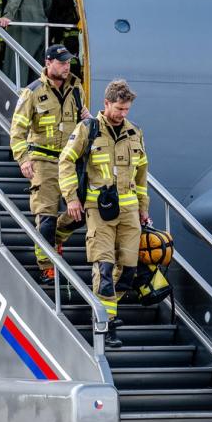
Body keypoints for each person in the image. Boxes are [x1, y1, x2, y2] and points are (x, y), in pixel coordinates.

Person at [57, 80, 150, 348]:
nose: (123, 113)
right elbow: (66, 161)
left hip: (130, 212)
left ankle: (105, 309)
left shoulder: (135, 133)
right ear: (106, 104)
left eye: (127, 109)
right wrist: (72, 198)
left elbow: (142, 174)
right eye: (119, 108)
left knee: (129, 271)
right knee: (105, 267)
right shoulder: (88, 129)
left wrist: (144, 208)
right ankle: (106, 325)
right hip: (100, 211)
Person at [9, 44, 90, 283]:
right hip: (42, 161)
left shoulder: (76, 89)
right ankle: (47, 266)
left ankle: (55, 240)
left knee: (82, 211)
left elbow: (82, 125)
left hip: (71, 161)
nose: (66, 67)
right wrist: (23, 159)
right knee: (46, 216)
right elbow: (17, 130)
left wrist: (87, 119)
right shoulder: (32, 92)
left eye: (68, 63)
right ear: (48, 62)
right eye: (62, 62)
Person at [0, 0, 51, 84]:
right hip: (40, 24)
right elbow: (48, 1)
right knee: (37, 69)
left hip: (21, 24)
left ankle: (18, 97)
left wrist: (8, 15)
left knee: (17, 69)